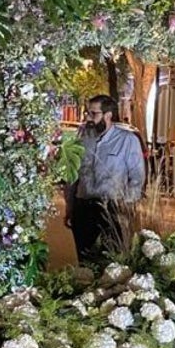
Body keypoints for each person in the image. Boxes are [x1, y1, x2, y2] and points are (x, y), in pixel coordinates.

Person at [63, 94, 146, 264]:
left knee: (110, 263)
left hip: (112, 209)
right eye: (88, 113)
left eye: (94, 114)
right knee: (84, 262)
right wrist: (70, 205)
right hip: (84, 207)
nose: (89, 118)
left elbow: (137, 176)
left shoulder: (127, 140)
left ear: (108, 115)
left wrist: (127, 205)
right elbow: (73, 174)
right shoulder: (83, 139)